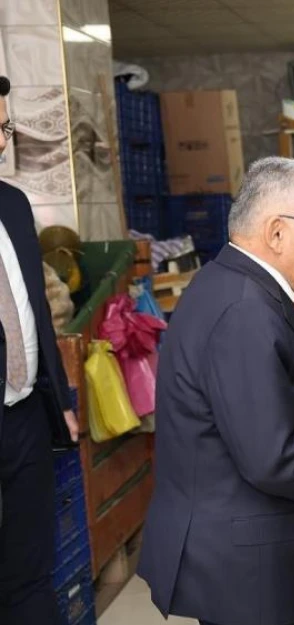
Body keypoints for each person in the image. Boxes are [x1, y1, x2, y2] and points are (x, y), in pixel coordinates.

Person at [137, 157, 294, 625]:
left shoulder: (228, 282)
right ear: (276, 233)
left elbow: (249, 425)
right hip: (248, 570)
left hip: (244, 554)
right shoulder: (245, 310)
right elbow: (272, 458)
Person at [0, 74, 81, 625]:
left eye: (3, 125)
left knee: (29, 568)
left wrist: (62, 399)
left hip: (26, 413)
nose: (2, 139)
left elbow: (36, 312)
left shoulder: (12, 204)